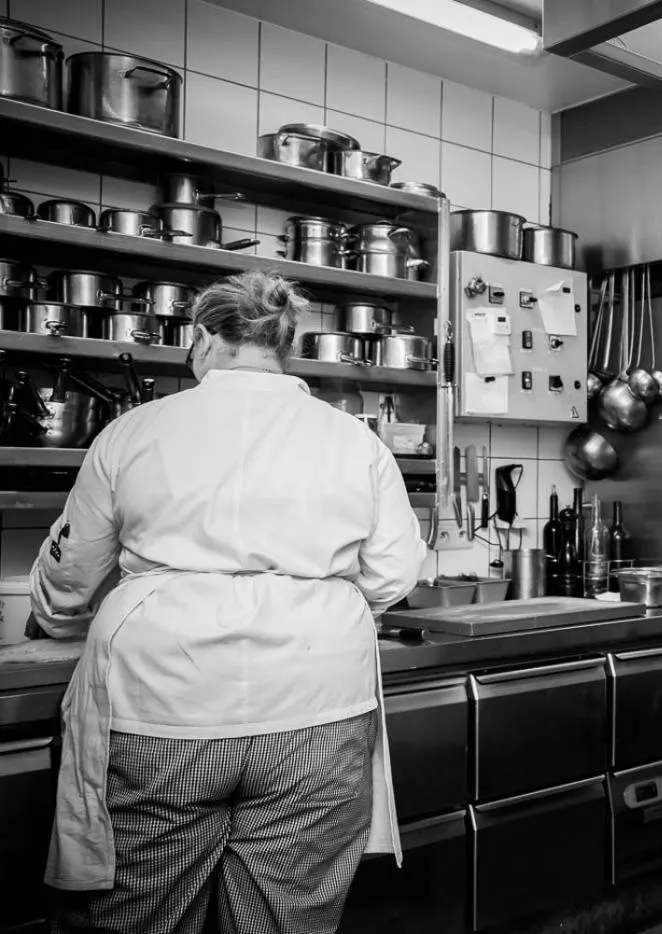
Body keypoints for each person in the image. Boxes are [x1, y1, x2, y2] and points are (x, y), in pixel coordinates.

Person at [28, 270, 426, 933]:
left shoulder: (135, 432)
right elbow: (391, 575)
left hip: (164, 711)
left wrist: (54, 616)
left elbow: (72, 575)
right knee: (285, 921)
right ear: (283, 343)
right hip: (318, 712)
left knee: (137, 916)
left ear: (203, 338)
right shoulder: (354, 439)